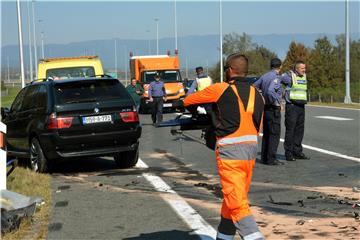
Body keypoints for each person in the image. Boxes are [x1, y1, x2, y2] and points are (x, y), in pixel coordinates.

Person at [183, 53, 265, 240]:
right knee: (234, 197)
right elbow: (257, 124)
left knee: (236, 203)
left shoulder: (220, 89)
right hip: (251, 151)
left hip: (230, 153)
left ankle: (255, 237)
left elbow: (188, 101)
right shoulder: (257, 93)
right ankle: (224, 237)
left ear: (230, 70)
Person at [253, 58, 291, 166]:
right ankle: (271, 159)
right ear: (280, 66)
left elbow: (254, 86)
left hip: (265, 108)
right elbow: (270, 91)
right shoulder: (276, 77)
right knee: (274, 134)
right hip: (273, 108)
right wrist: (277, 101)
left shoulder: (265, 76)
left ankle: (265, 157)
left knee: (267, 134)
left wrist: (261, 97)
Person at [282, 60, 310, 161]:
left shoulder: (304, 76)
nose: (304, 70)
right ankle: (288, 153)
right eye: (302, 68)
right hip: (292, 106)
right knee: (290, 130)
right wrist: (281, 93)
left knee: (299, 130)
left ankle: (297, 152)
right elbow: (278, 80)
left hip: (301, 107)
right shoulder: (289, 76)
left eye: (304, 68)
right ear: (296, 69)